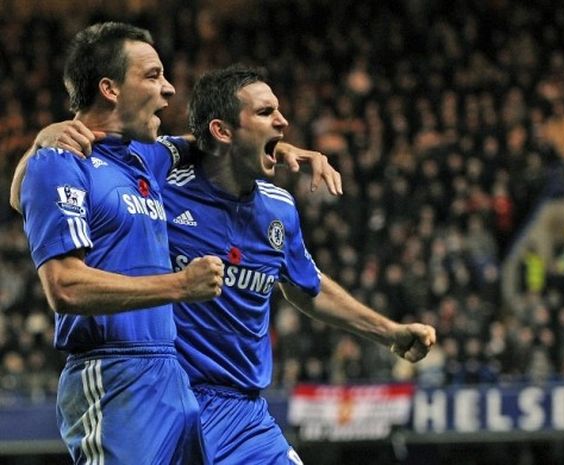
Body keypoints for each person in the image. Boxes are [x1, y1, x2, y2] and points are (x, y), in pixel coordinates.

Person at [10, 23, 340, 465]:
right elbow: (65, 287)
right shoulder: (63, 160)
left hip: (170, 378)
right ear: (109, 88)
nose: (168, 90)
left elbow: (216, 142)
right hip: (111, 375)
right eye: (152, 76)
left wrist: (277, 147)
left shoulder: (147, 157)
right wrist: (179, 285)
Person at [168, 64, 436, 464]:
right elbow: (94, 159)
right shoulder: (161, 191)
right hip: (170, 405)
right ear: (221, 131)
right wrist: (48, 141)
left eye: (278, 110)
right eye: (264, 113)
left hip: (245, 418)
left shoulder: (278, 208)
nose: (283, 121)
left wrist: (389, 332)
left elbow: (306, 286)